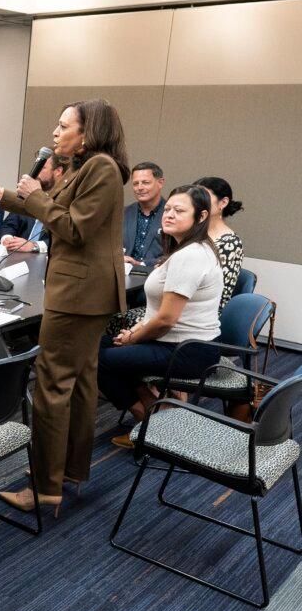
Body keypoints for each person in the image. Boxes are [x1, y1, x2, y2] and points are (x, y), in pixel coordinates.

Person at [0, 98, 129, 512]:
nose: (55, 133)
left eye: (63, 126)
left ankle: (44, 487)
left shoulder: (101, 169)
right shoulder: (86, 167)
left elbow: (73, 228)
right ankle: (68, 474)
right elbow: (54, 208)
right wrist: (1, 194)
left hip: (78, 294)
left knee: (52, 387)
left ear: (87, 133)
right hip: (84, 291)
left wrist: (35, 194)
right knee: (79, 384)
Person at [98, 186, 223, 448]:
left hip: (188, 350)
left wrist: (133, 338)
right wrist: (135, 332)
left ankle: (147, 423)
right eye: (167, 209)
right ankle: (155, 412)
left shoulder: (190, 256)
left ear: (201, 217)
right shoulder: (185, 249)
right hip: (176, 342)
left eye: (179, 211)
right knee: (95, 346)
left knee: (96, 359)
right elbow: (158, 313)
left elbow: (166, 320)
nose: (169, 214)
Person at [194, 176, 245, 309]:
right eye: (195, 198)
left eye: (204, 198)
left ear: (223, 202)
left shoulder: (230, 243)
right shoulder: (193, 233)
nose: (196, 203)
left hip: (203, 312)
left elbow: (219, 294)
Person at [0, 154, 66, 254]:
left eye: (42, 167)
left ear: (58, 171)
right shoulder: (27, 195)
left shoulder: (65, 200)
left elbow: (66, 239)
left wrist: (35, 246)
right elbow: (8, 225)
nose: (37, 172)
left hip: (47, 258)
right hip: (17, 255)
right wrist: (7, 238)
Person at [123, 161, 166, 268]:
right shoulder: (124, 213)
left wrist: (142, 264)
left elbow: (179, 252)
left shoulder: (172, 214)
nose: (140, 187)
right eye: (135, 183)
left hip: (157, 273)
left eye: (145, 182)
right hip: (125, 273)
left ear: (160, 183)